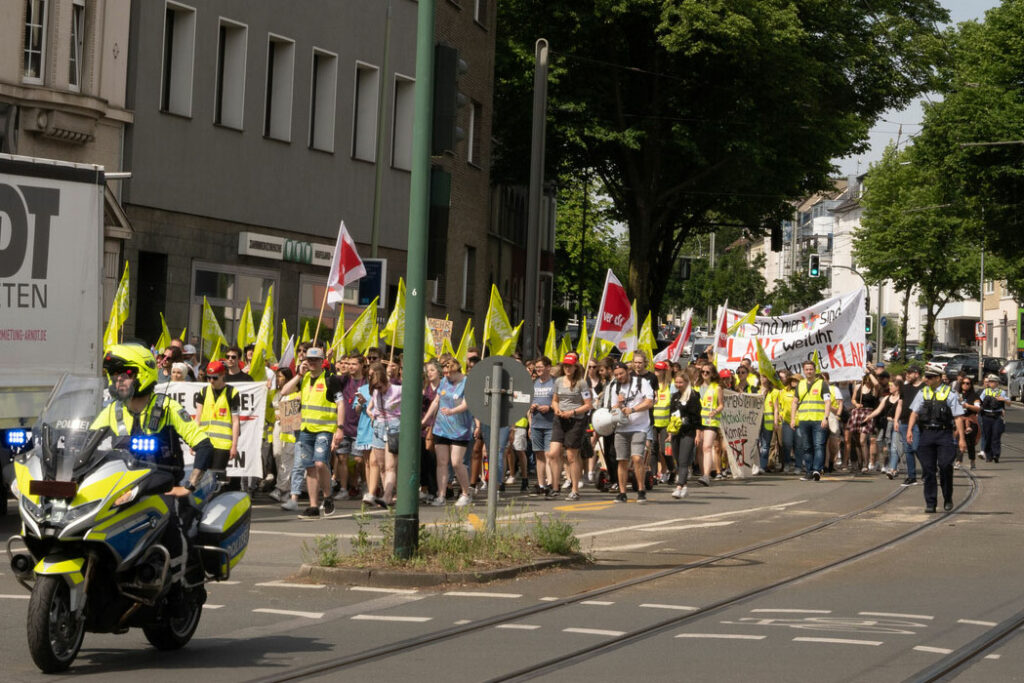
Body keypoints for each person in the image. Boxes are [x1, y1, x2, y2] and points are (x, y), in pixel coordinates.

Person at [90, 344, 216, 590]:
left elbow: (203, 445)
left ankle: (178, 583)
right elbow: (85, 444)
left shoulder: (166, 407)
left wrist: (188, 486)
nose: (117, 380)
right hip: (122, 487)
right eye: (113, 375)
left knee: (170, 516)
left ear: (142, 374)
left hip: (162, 485)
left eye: (124, 374)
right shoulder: (112, 411)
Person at [278, 346, 338, 520]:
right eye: (309, 360)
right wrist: (298, 374)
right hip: (306, 430)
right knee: (309, 467)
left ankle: (327, 497)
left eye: (315, 360)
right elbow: (284, 391)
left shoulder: (329, 379)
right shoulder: (303, 380)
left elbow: (340, 404)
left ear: (322, 361)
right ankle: (313, 507)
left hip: (324, 429)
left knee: (320, 464)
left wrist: (339, 429)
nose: (311, 363)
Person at [907, 368, 966, 513]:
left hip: (944, 433)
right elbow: (914, 413)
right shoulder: (923, 393)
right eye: (926, 377)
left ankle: (947, 497)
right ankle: (931, 502)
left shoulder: (950, 393)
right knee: (928, 469)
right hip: (926, 434)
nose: (926, 379)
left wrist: (962, 439)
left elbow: (958, 417)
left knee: (945, 465)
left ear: (938, 378)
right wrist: (909, 430)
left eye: (930, 377)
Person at [423, 355, 475, 507]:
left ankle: (466, 492)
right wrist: (425, 420)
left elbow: (467, 404)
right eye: (444, 373)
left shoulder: (466, 382)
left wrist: (452, 411)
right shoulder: (444, 382)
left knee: (457, 462)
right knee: (442, 462)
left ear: (456, 369)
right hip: (441, 428)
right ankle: (441, 495)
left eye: (448, 372)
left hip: (460, 429)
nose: (445, 376)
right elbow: (436, 401)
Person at [549, 352, 593, 501]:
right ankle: (555, 487)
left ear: (575, 366)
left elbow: (588, 405)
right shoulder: (558, 381)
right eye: (565, 365)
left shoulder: (582, 383)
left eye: (570, 366)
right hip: (559, 419)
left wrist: (572, 412)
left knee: (571, 456)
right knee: (553, 453)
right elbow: (555, 400)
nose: (567, 368)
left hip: (576, 421)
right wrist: (556, 409)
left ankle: (575, 489)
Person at [610, 361, 654, 503]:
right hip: (621, 428)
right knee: (622, 460)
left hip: (639, 426)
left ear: (628, 371)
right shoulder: (614, 386)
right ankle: (622, 493)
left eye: (621, 373)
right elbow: (612, 410)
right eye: (616, 375)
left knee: (637, 458)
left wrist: (633, 410)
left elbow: (649, 402)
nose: (619, 377)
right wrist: (619, 404)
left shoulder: (641, 382)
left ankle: (641, 490)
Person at [192, 360, 240, 480]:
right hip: (204, 443)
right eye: (209, 378)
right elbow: (197, 419)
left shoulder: (232, 393)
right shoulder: (203, 392)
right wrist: (193, 441)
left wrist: (234, 445)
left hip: (222, 445)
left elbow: (235, 422)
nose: (211, 381)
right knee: (198, 477)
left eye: (215, 378)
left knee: (216, 478)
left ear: (223, 375)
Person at [366, 361, 401, 506]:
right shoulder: (375, 392)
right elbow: (372, 408)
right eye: (376, 387)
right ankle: (391, 493)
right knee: (381, 465)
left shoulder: (399, 390)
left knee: (390, 466)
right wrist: (371, 413)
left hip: (394, 427)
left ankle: (387, 496)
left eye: (380, 386)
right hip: (379, 427)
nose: (379, 390)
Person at [791, 360, 831, 481]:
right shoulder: (800, 384)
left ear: (815, 370)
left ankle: (817, 470)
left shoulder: (822, 384)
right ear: (804, 371)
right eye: (807, 369)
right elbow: (794, 402)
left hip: (818, 420)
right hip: (803, 420)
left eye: (811, 369)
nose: (809, 371)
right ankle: (809, 471)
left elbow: (827, 401)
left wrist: (826, 417)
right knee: (807, 447)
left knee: (819, 445)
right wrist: (793, 418)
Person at [669, 367, 702, 498]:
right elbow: (671, 415)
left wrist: (698, 434)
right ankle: (685, 486)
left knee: (683, 460)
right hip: (676, 431)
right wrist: (670, 432)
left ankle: (679, 486)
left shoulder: (693, 396)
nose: (678, 385)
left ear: (687, 382)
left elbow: (697, 417)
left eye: (680, 382)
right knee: (677, 459)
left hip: (689, 432)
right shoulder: (675, 396)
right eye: (676, 382)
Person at [530, 356, 556, 498]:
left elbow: (560, 401)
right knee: (539, 455)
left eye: (540, 367)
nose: (538, 370)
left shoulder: (554, 383)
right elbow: (528, 402)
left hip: (550, 424)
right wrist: (532, 406)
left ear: (548, 367)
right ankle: (540, 484)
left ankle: (551, 485)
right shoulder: (534, 384)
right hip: (536, 424)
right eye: (536, 368)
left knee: (549, 455)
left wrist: (550, 407)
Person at [897, 364, 924, 486]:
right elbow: (900, 404)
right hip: (904, 421)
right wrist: (896, 419)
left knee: (916, 447)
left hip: (918, 422)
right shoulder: (904, 387)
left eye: (910, 372)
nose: (907, 375)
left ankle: (928, 471)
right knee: (908, 450)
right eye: (906, 372)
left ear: (917, 374)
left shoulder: (924, 387)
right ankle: (911, 476)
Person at [697, 364, 723, 486]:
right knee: (700, 448)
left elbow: (721, 404)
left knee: (707, 447)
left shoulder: (716, 387)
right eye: (703, 371)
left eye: (707, 372)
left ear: (712, 374)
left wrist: (716, 411)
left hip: (711, 421)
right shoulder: (696, 387)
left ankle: (706, 476)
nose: (705, 374)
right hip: (698, 421)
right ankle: (703, 474)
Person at [650, 360, 674, 483]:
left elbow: (673, 407)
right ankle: (653, 475)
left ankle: (672, 470)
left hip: (666, 423)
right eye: (655, 369)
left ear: (664, 371)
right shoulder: (650, 385)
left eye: (659, 369)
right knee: (653, 448)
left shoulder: (670, 386)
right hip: (653, 423)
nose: (657, 371)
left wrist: (672, 427)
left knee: (665, 450)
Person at [979, 373, 1010, 463]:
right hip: (987, 416)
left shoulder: (1002, 392)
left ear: (997, 383)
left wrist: (1003, 400)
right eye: (990, 382)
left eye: (992, 382)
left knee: (996, 436)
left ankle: (996, 454)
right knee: (988, 436)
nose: (990, 383)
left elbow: (1009, 403)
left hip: (997, 416)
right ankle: (989, 455)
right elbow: (980, 402)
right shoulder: (985, 392)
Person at [955, 375, 980, 469]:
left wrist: (968, 406)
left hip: (971, 420)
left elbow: (978, 408)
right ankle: (958, 461)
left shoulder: (974, 396)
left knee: (970, 442)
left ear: (971, 385)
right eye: (963, 383)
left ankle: (972, 460)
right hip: (960, 420)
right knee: (959, 440)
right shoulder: (957, 395)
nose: (965, 385)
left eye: (967, 383)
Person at [758, 373, 779, 474]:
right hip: (756, 420)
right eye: (761, 376)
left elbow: (776, 409)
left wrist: (775, 421)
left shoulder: (774, 392)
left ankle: (762, 466)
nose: (763, 379)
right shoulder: (756, 389)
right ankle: (755, 465)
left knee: (765, 445)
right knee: (755, 444)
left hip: (768, 421)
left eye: (765, 376)